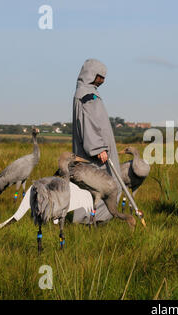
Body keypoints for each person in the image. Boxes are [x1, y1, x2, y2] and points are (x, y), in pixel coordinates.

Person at [71, 58, 122, 224]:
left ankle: (95, 220)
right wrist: (98, 147)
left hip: (101, 149)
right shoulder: (86, 94)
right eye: (101, 76)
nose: (103, 80)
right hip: (96, 153)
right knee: (104, 186)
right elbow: (87, 122)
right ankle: (91, 221)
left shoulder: (90, 92)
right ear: (92, 74)